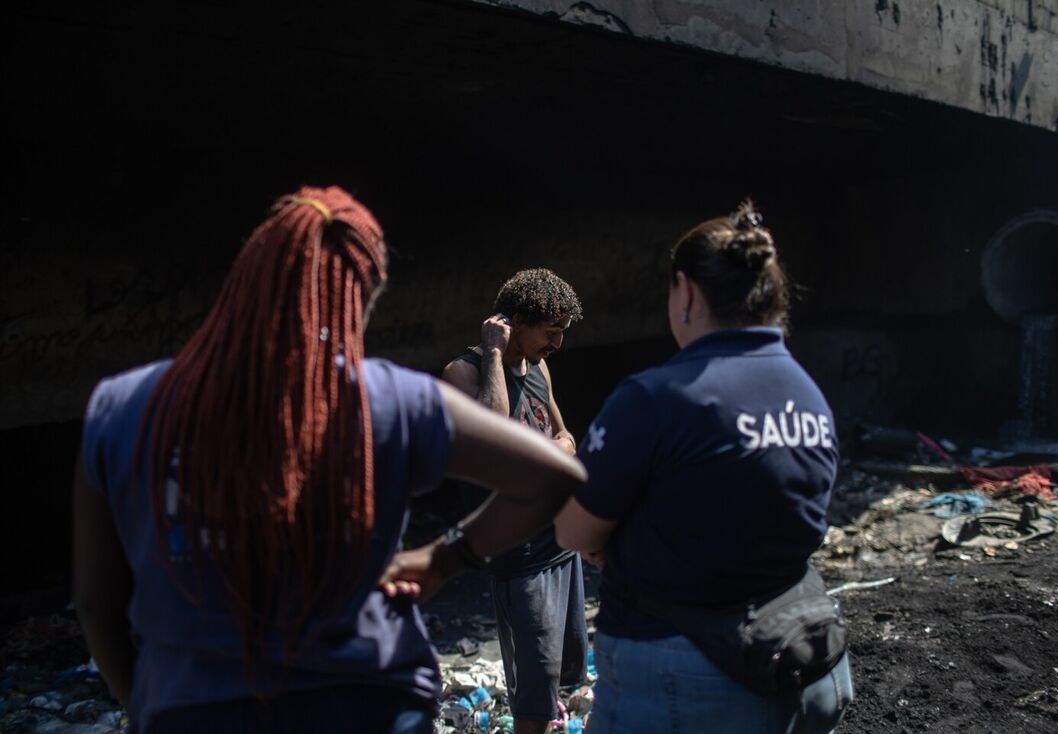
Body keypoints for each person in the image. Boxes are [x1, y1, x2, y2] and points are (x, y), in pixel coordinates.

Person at [71, 186, 586, 734]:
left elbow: (97, 605)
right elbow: (552, 475)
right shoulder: (389, 399)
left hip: (193, 707)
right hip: (366, 701)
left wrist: (148, 703)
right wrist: (445, 558)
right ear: (356, 300)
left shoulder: (121, 407)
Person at [554, 201, 853, 733]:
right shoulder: (809, 396)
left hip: (685, 676)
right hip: (800, 654)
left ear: (686, 292)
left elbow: (574, 531)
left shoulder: (655, 398)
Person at [440, 268, 586, 734]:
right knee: (534, 690)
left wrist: (545, 457)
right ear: (513, 322)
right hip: (518, 557)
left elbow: (565, 437)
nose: (557, 345)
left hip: (560, 547)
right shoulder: (462, 372)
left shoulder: (540, 367)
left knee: (560, 675)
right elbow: (496, 440)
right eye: (551, 332)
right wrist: (495, 353)